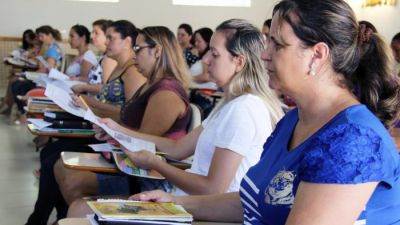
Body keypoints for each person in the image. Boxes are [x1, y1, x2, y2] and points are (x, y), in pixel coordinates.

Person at [128, 1, 400, 225]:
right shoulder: (294, 119)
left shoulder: (352, 138)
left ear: (317, 55)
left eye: (277, 45)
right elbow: (256, 202)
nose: (264, 55)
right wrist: (174, 203)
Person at [67, 18, 285, 218]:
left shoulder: (243, 109)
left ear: (239, 62)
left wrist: (155, 163)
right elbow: (178, 148)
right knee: (78, 206)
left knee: (79, 210)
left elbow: (213, 189)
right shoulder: (231, 103)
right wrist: (117, 129)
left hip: (204, 212)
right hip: (188, 201)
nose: (206, 60)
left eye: (214, 54)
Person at [55, 26, 192, 210]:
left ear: (157, 51)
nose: (134, 56)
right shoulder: (151, 85)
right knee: (61, 167)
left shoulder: (166, 92)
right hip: (130, 166)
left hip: (147, 179)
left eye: (138, 49)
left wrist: (114, 130)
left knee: (72, 180)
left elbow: (141, 143)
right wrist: (109, 129)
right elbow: (131, 127)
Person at [25, 20, 146, 225]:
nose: (106, 42)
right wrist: (86, 106)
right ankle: (58, 215)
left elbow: (129, 116)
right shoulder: (119, 67)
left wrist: (89, 103)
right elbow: (108, 104)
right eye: (105, 37)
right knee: (49, 154)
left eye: (111, 38)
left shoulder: (132, 72)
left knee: (51, 158)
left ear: (127, 41)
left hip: (113, 141)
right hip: (102, 131)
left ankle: (44, 218)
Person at [11, 25, 63, 124]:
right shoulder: (51, 47)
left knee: (18, 85)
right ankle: (23, 113)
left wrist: (26, 75)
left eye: (41, 36)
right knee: (17, 82)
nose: (40, 39)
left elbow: (48, 70)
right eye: (39, 36)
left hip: (49, 81)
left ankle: (24, 114)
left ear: (49, 35)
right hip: (45, 78)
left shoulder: (53, 49)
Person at [71, 19, 117, 95]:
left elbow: (106, 89)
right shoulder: (104, 55)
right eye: (92, 33)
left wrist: (84, 87)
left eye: (96, 33)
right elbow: (96, 80)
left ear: (107, 35)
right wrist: (78, 79)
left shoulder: (109, 59)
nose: (92, 36)